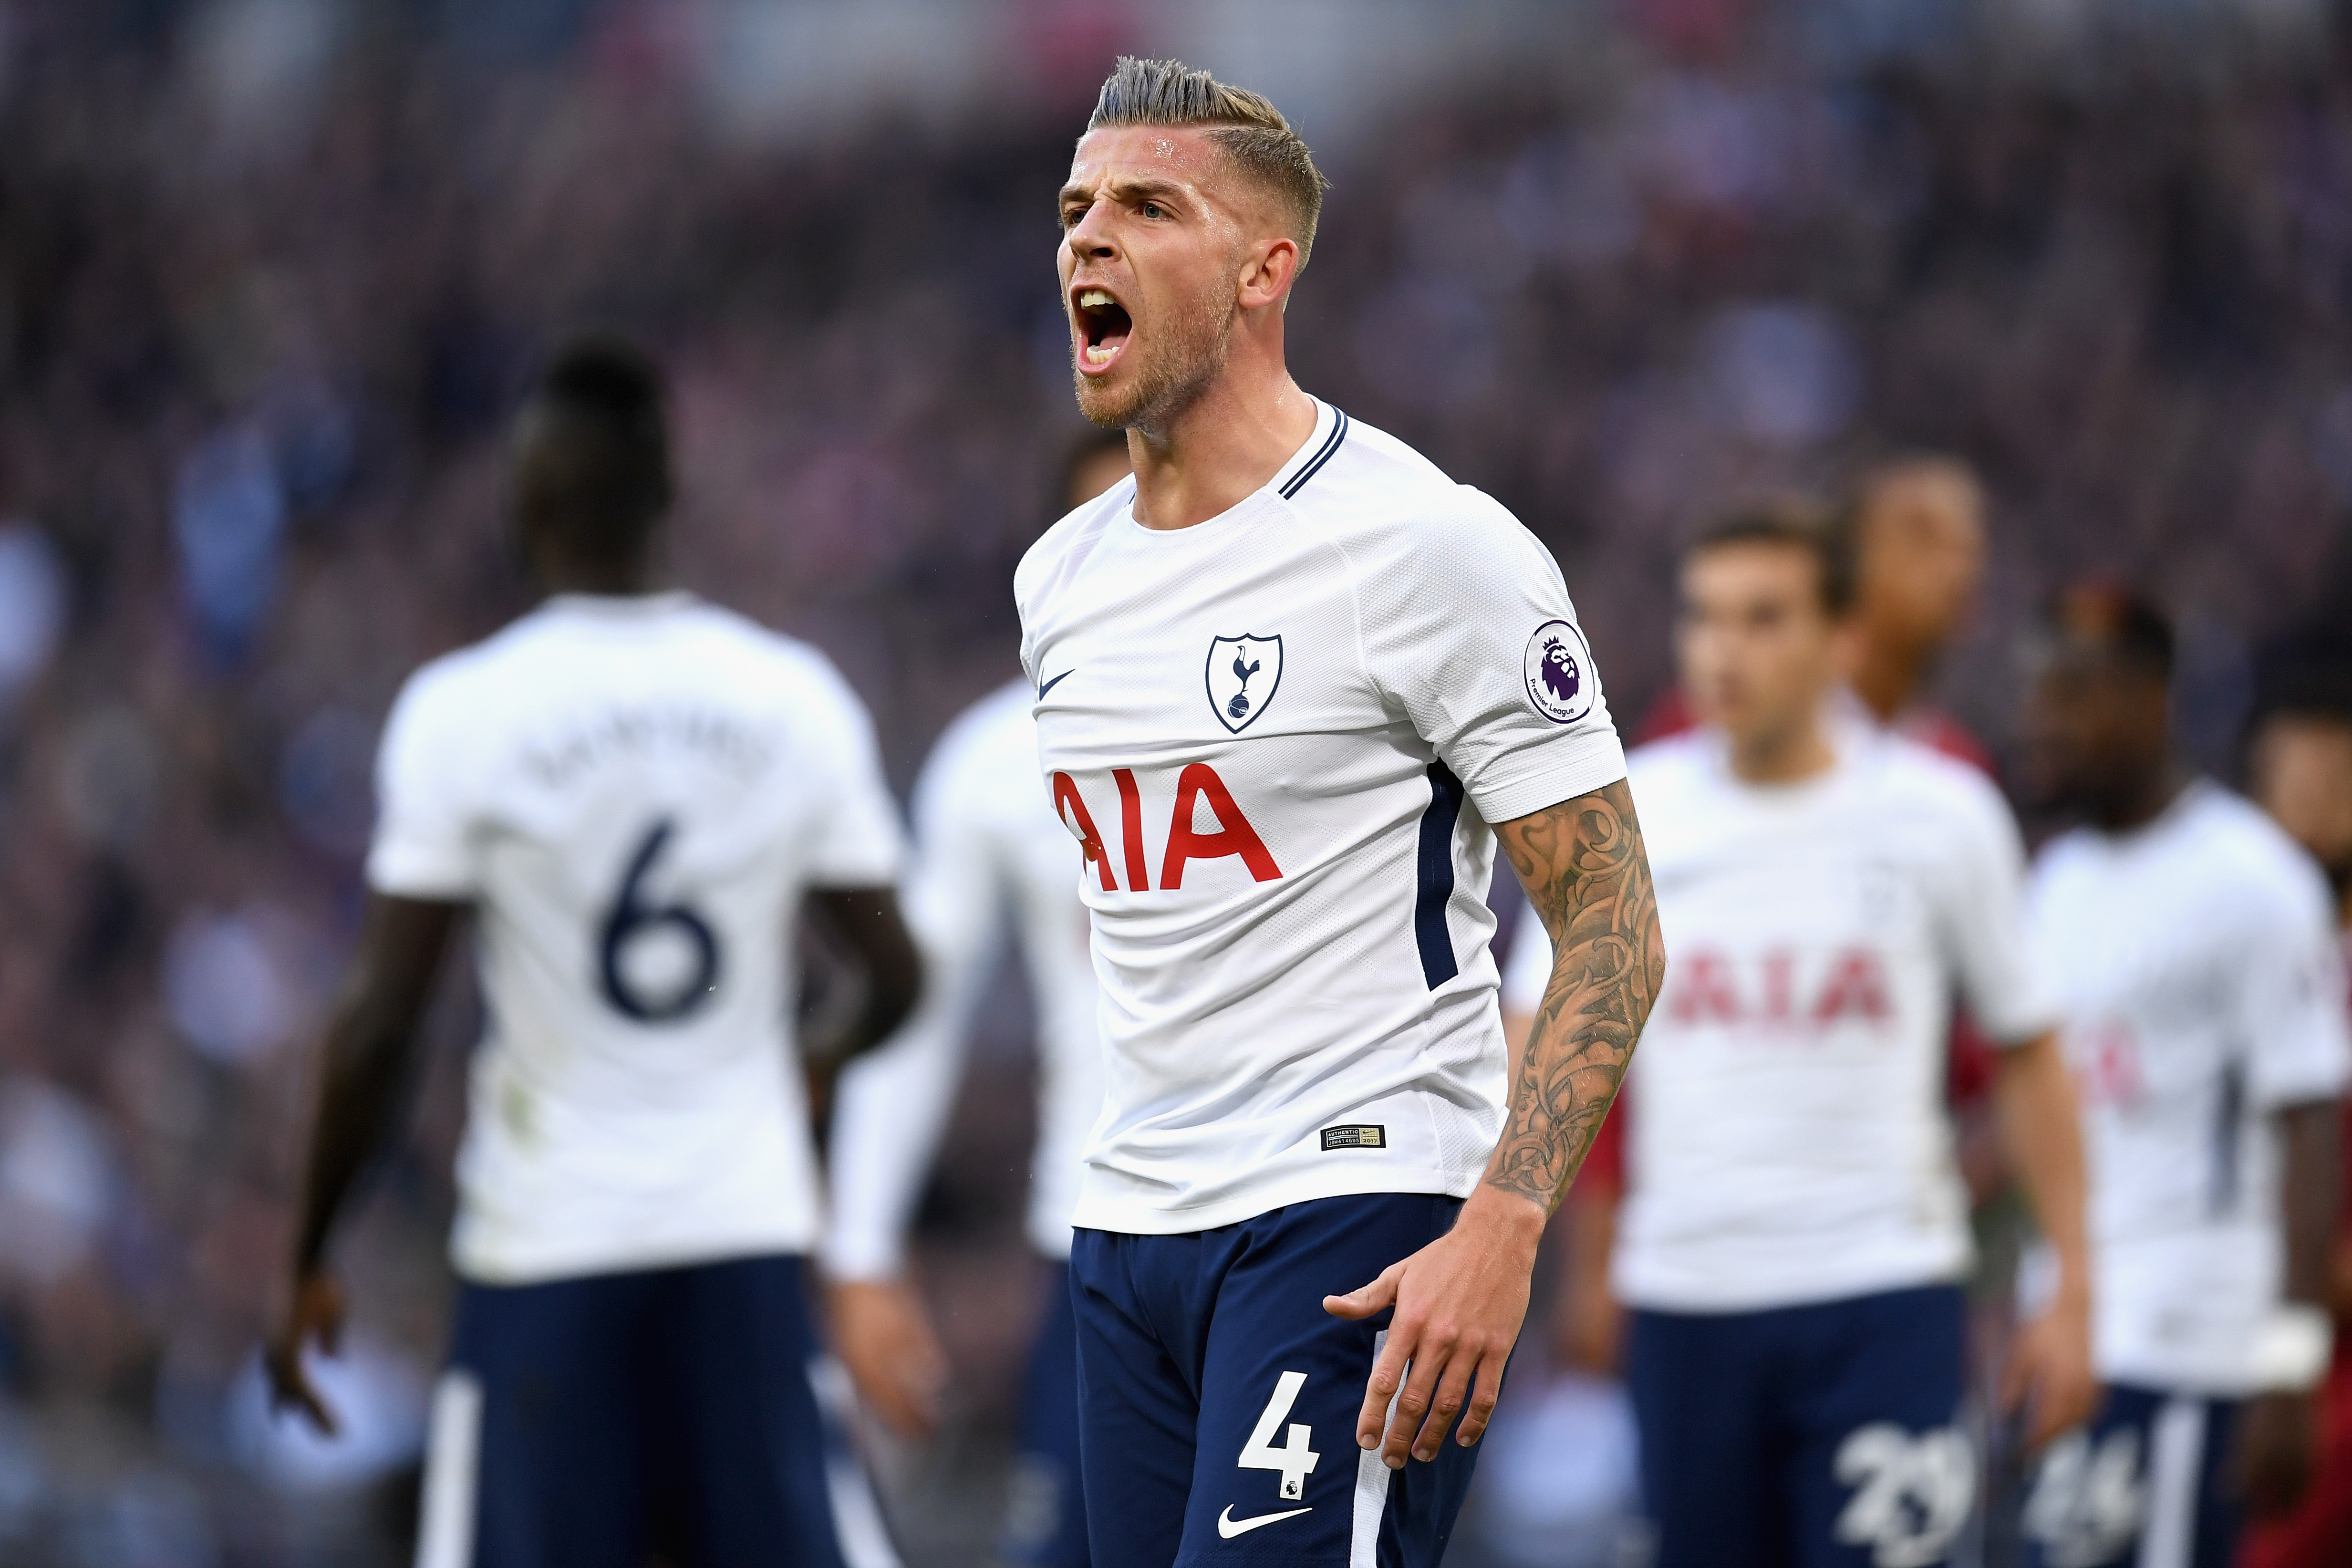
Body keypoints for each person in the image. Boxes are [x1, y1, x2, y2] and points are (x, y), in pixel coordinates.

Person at [1024, 58, 1663, 1567]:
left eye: (1144, 207)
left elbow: (1613, 927)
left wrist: (1502, 1229)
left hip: (1353, 1212)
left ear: (1265, 270)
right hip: (1127, 1229)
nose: (1084, 240)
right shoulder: (1059, 582)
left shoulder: (1425, 547)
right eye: (1072, 209)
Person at [262, 336, 922, 1568]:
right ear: (669, 494)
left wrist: (308, 1252)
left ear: (525, 506)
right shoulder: (788, 696)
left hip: (547, 1253)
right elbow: (895, 979)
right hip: (740, 1240)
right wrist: (804, 1065)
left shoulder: (467, 712)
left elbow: (378, 1024)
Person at [1525, 505, 2095, 1568]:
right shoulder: (1626, 819)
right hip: (1687, 1305)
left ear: (1842, 636)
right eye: (1704, 619)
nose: (1724, 651)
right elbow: (1543, 1047)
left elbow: (2029, 1057)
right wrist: (1539, 1254)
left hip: (1885, 1299)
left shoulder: (1943, 814)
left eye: (1763, 619)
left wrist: (2073, 1292)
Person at [823, 428, 1131, 1568]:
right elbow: (915, 1013)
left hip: (1306, 1230)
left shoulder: (1324, 726)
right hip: (1100, 1246)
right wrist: (859, 1252)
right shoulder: (1003, 763)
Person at [2018, 588, 2350, 1568]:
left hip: (2191, 1344)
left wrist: (2290, 1358)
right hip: (2077, 1335)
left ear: (2153, 700)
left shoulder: (2250, 881)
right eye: (2039, 691)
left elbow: (2310, 1119)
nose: (2045, 720)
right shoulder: (2059, 879)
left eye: (2075, 694)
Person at [2240, 657, 2352, 1568]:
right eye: (2292, 781)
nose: (2314, 807)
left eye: (2340, 780)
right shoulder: (2233, 949)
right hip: (2263, 1341)